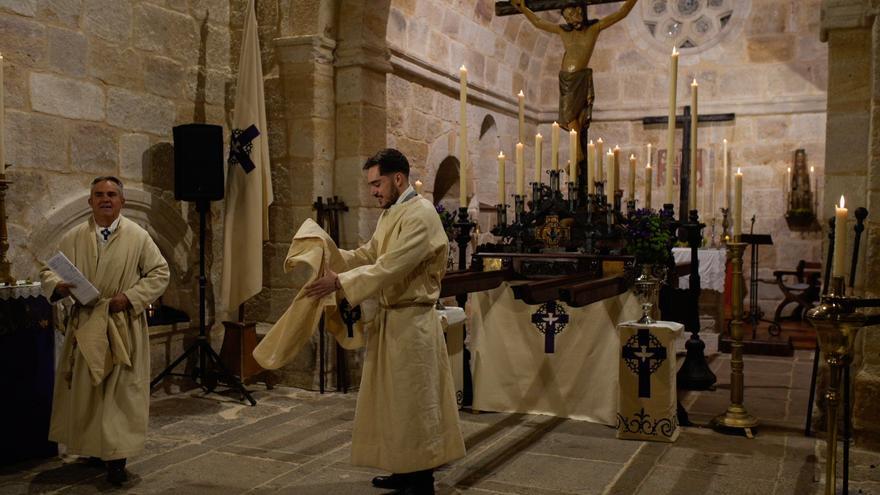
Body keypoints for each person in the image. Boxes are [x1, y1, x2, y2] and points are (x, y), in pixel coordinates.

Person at [304, 149, 465, 495]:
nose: (373, 191)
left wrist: (340, 283)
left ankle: (420, 480)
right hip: (392, 321)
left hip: (412, 323)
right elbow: (370, 255)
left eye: (377, 183)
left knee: (415, 404)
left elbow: (390, 267)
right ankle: (402, 467)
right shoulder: (393, 213)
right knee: (393, 402)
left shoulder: (420, 215)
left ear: (398, 178)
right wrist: (332, 255)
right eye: (370, 185)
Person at [40, 176, 170, 486]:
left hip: (121, 326)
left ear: (122, 201)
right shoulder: (73, 237)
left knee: (118, 394)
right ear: (90, 202)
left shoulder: (138, 236)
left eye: (112, 194)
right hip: (85, 325)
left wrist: (130, 298)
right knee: (87, 392)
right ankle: (93, 449)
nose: (105, 199)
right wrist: (56, 285)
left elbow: (160, 272)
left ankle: (116, 460)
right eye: (98, 195)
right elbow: (48, 270)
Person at [511, 0, 638, 134]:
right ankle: (577, 150)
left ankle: (577, 150)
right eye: (567, 18)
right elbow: (538, 23)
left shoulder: (594, 29)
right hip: (566, 80)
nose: (571, 20)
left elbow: (621, 13)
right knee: (569, 116)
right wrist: (524, 9)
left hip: (580, 78)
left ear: (580, 10)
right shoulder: (563, 31)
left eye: (572, 15)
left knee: (573, 116)